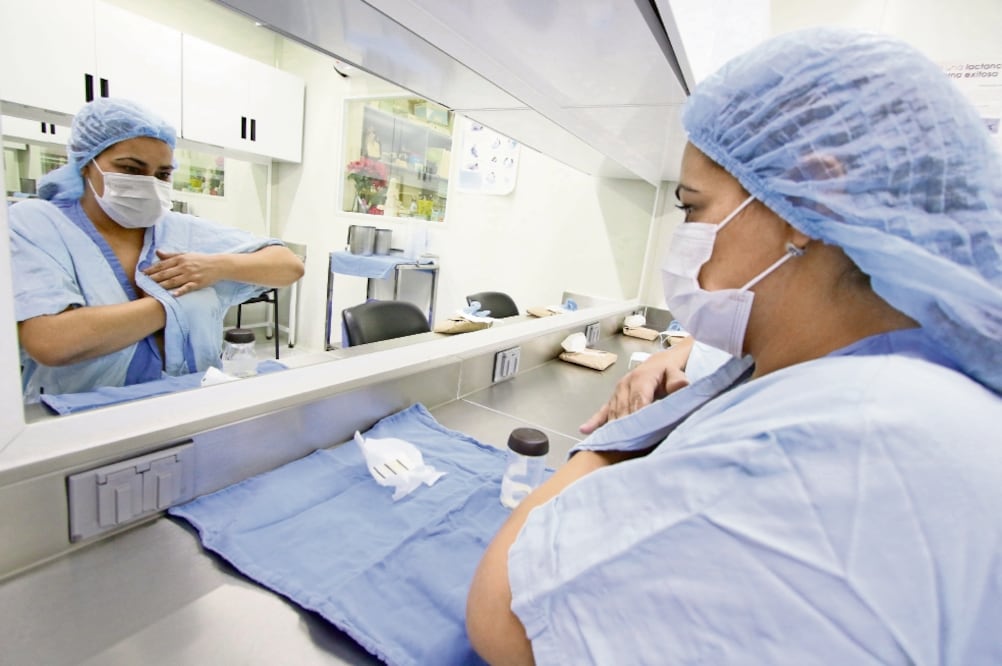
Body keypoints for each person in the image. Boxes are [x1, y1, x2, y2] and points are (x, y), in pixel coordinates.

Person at [467, 28, 1002, 665]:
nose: (685, 237)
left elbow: (508, 615)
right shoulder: (905, 380)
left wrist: (616, 442)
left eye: (694, 208)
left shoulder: (843, 438)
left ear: (808, 200)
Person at [9, 98, 304, 401]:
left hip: (185, 404)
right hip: (82, 414)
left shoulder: (175, 228)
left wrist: (215, 268)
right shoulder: (37, 223)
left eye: (162, 175)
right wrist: (176, 304)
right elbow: (51, 341)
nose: (148, 184)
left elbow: (288, 265)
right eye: (130, 169)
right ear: (87, 164)